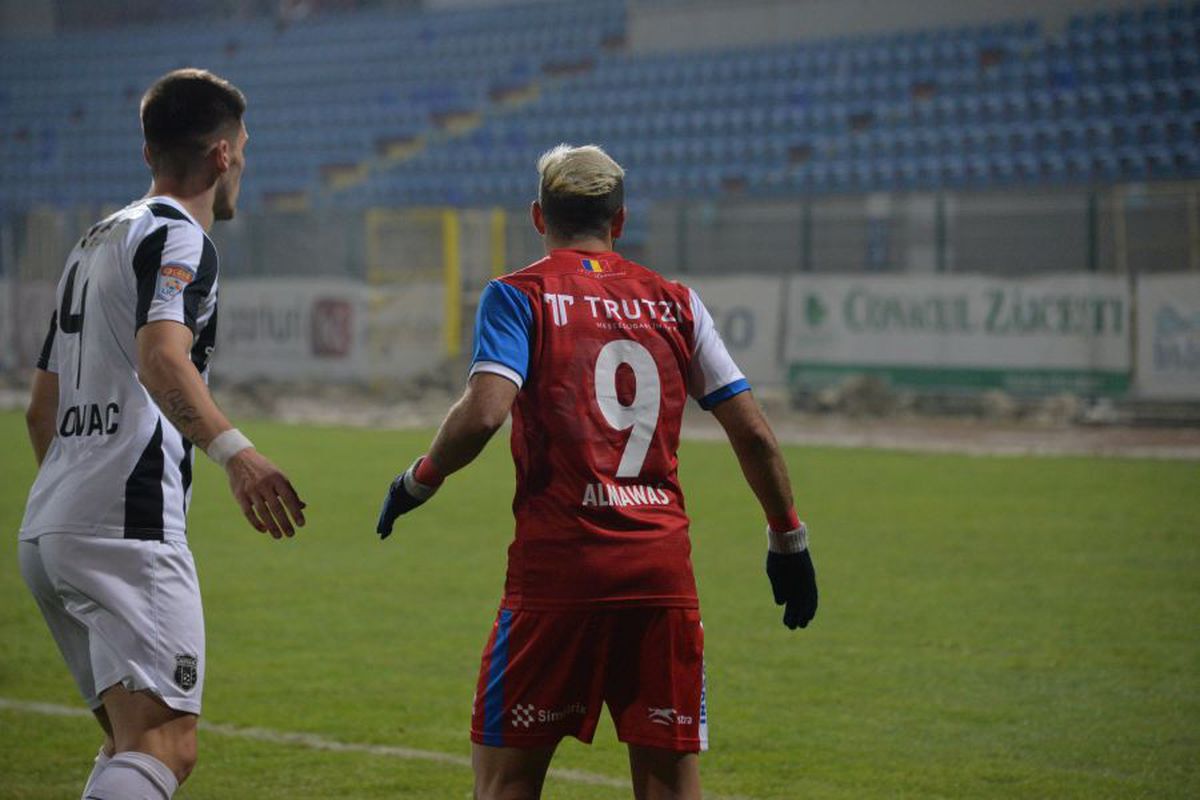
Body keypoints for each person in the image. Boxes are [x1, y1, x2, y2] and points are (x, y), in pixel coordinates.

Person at [376, 144, 818, 800]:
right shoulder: (678, 304)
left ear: (536, 216)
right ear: (620, 220)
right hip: (660, 576)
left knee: (505, 784)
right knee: (670, 789)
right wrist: (789, 539)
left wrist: (419, 478)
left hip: (559, 578)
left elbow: (485, 413)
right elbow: (752, 433)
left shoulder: (517, 296)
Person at [19, 68, 307, 800]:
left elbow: (39, 409)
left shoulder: (94, 241)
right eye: (242, 148)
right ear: (221, 155)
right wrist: (236, 455)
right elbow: (161, 358)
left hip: (51, 523)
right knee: (165, 745)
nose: (243, 161)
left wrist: (76, 496)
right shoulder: (181, 238)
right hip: (126, 523)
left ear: (150, 154)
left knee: (129, 740)